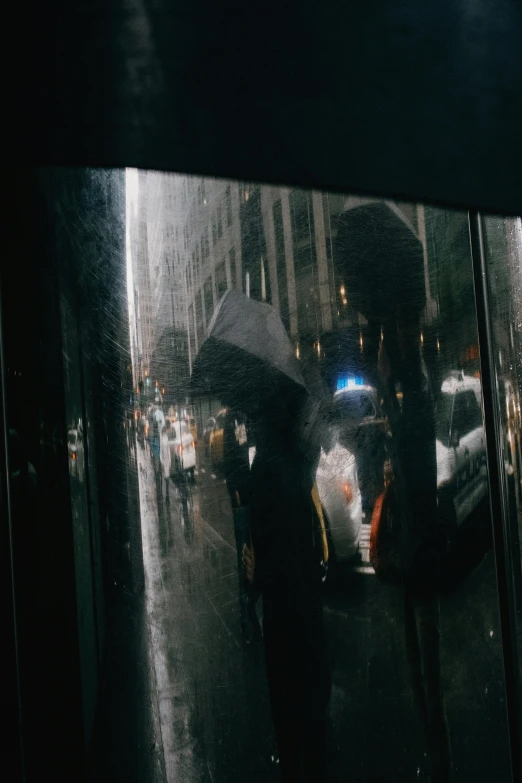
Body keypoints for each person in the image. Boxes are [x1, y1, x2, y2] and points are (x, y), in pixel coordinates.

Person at [243, 391, 331, 783]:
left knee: (290, 720)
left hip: (283, 616)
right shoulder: (300, 459)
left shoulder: (264, 468)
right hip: (308, 610)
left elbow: (272, 556)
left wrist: (254, 572)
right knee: (314, 718)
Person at [222, 408, 261, 644]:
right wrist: (235, 491)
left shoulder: (252, 415)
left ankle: (255, 612)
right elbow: (231, 457)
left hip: (257, 495)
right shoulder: (233, 417)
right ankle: (246, 619)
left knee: (257, 554)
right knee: (244, 555)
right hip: (243, 498)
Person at [160, 419, 172, 502]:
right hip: (164, 460)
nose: (165, 431)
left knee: (167, 477)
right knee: (165, 477)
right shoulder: (162, 439)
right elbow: (161, 451)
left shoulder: (166, 438)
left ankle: (167, 495)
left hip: (167, 459)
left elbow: (168, 451)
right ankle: (165, 495)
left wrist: (170, 461)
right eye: (164, 430)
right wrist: (161, 461)